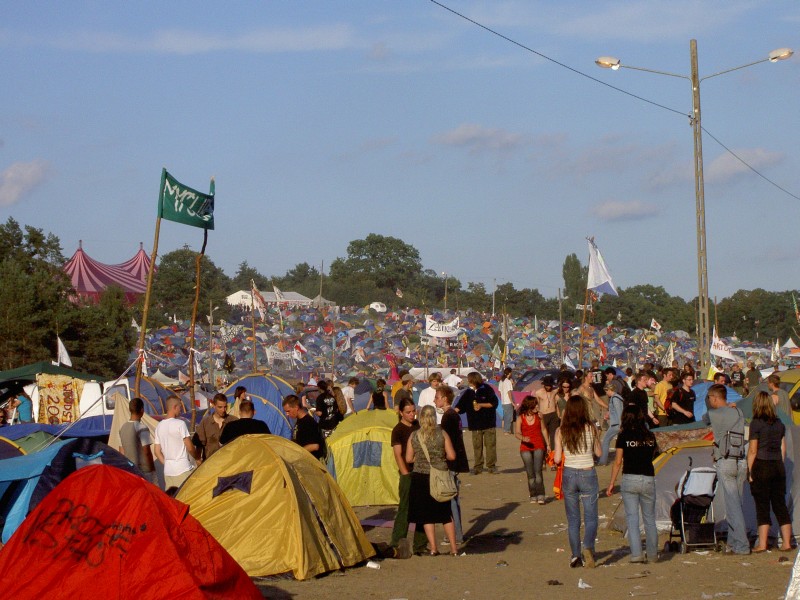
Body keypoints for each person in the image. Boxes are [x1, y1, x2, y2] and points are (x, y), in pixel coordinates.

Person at [606, 404, 659, 563]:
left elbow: (617, 462)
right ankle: (652, 554)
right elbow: (654, 455)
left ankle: (637, 554)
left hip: (630, 478)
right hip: (648, 478)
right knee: (650, 519)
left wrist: (611, 483)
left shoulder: (623, 436)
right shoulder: (650, 436)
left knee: (632, 518)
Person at [554, 395, 602, 568]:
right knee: (591, 517)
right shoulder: (591, 428)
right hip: (587, 472)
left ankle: (575, 556)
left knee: (573, 519)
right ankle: (588, 545)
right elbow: (598, 453)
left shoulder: (561, 431)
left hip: (569, 474)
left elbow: (558, 459)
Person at [703, 384, 749, 555]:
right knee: (736, 502)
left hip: (726, 460)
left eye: (709, 397)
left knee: (732, 505)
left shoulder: (714, 414)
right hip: (740, 459)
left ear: (714, 398)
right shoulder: (738, 411)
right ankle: (732, 543)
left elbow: (704, 418)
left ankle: (742, 546)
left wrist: (713, 404)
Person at [406, 405, 458, 556]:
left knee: (427, 515)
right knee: (445, 514)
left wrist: (420, 459)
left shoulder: (414, 436)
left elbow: (408, 458)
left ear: (420, 417)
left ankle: (434, 548)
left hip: (420, 477)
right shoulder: (442, 434)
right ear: (435, 417)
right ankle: (454, 548)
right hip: (439, 475)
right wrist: (439, 458)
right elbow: (452, 456)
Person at [748, 391, 794, 552]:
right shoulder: (779, 423)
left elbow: (753, 450)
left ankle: (762, 543)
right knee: (780, 505)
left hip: (762, 465)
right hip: (777, 466)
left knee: (762, 505)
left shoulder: (756, 424)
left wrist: (749, 470)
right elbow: (783, 449)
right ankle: (787, 543)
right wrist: (779, 465)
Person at [388, 398, 427, 557]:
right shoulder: (398, 430)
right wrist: (405, 474)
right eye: (408, 412)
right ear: (401, 413)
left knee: (422, 511)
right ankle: (397, 541)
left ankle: (420, 544)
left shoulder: (418, 426)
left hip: (422, 472)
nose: (412, 415)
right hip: (407, 473)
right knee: (405, 509)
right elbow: (398, 454)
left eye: (413, 411)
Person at [436, 385, 469, 547]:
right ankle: (458, 533)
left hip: (451, 461)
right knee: (453, 499)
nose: (435, 400)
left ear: (444, 398)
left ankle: (455, 534)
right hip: (457, 460)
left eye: (437, 397)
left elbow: (447, 442)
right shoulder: (453, 416)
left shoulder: (448, 417)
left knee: (450, 500)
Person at [459, 372, 499, 475]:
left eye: (470, 380)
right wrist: (451, 410)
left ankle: (491, 466)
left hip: (488, 423)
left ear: (475, 380)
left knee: (490, 445)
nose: (468, 382)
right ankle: (478, 466)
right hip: (475, 424)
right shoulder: (468, 392)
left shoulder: (487, 389)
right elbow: (460, 406)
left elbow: (494, 404)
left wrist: (481, 405)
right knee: (477, 446)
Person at [154, 397, 195, 490]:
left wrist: (167, 463)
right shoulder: (180, 424)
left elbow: (156, 451)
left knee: (172, 499)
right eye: (180, 407)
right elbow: (190, 447)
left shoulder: (159, 426)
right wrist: (197, 458)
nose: (180, 410)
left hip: (168, 471)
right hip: (182, 468)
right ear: (175, 407)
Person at [515, 395, 548, 504]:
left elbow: (543, 430)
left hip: (538, 445)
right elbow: (517, 433)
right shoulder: (521, 418)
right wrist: (523, 438)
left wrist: (548, 444)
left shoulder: (539, 416)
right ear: (530, 406)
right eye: (535, 404)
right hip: (525, 447)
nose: (537, 406)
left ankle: (541, 495)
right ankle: (533, 494)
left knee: (538, 471)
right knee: (530, 473)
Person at [118, 397, 157, 485]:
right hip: (143, 471)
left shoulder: (122, 428)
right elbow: (146, 451)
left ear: (130, 410)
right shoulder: (141, 428)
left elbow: (121, 452)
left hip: (129, 471)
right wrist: (152, 470)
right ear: (142, 410)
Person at [195, 393, 238, 461]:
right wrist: (198, 461)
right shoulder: (205, 423)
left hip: (229, 463)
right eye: (220, 407)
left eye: (225, 407)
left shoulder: (234, 421)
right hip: (210, 463)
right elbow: (199, 445)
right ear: (214, 406)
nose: (223, 410)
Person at [282, 394, 324, 459]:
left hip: (312, 462)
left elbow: (315, 446)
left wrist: (296, 453)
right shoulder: (299, 420)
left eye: (288, 411)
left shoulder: (308, 422)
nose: (287, 414)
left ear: (296, 407)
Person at [599, 385, 625, 466]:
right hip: (617, 424)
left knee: (606, 440)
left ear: (610, 389)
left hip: (616, 424)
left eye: (606, 391)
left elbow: (619, 412)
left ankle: (603, 461)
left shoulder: (615, 398)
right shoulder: (617, 398)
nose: (606, 393)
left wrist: (621, 425)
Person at [537, 376, 560, 452]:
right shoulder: (539, 392)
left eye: (550, 385)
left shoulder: (555, 391)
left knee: (554, 435)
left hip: (553, 414)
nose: (549, 387)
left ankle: (553, 454)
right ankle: (543, 455)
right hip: (543, 415)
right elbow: (536, 405)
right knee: (543, 435)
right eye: (547, 385)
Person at [498, 367, 515, 434]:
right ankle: (506, 430)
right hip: (508, 401)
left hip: (503, 401)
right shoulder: (508, 381)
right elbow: (509, 392)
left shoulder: (501, 381)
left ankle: (507, 429)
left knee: (506, 416)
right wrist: (512, 401)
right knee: (509, 416)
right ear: (509, 373)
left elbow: (499, 391)